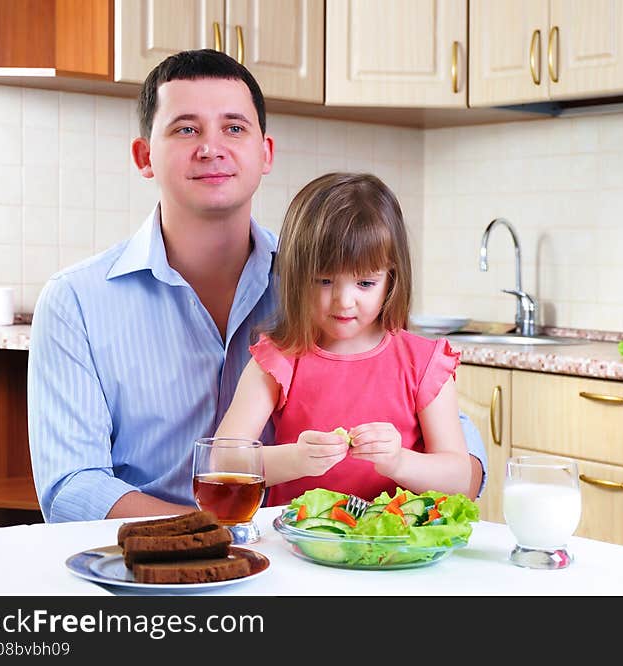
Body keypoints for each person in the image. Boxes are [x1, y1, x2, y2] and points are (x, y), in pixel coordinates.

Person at [27, 49, 486, 523]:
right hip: (149, 560)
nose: (211, 147)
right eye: (186, 129)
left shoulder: (326, 280)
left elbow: (454, 450)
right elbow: (72, 487)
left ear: (265, 153)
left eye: (234, 128)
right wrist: (205, 537)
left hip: (318, 557)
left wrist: (412, 465)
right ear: (145, 156)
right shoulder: (75, 302)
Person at [215, 172, 470, 505]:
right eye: (323, 281)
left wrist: (399, 461)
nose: (343, 301)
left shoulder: (424, 363)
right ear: (296, 276)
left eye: (365, 283)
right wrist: (296, 459)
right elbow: (222, 461)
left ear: (391, 278)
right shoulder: (278, 358)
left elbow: (459, 480)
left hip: (397, 546)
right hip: (298, 543)